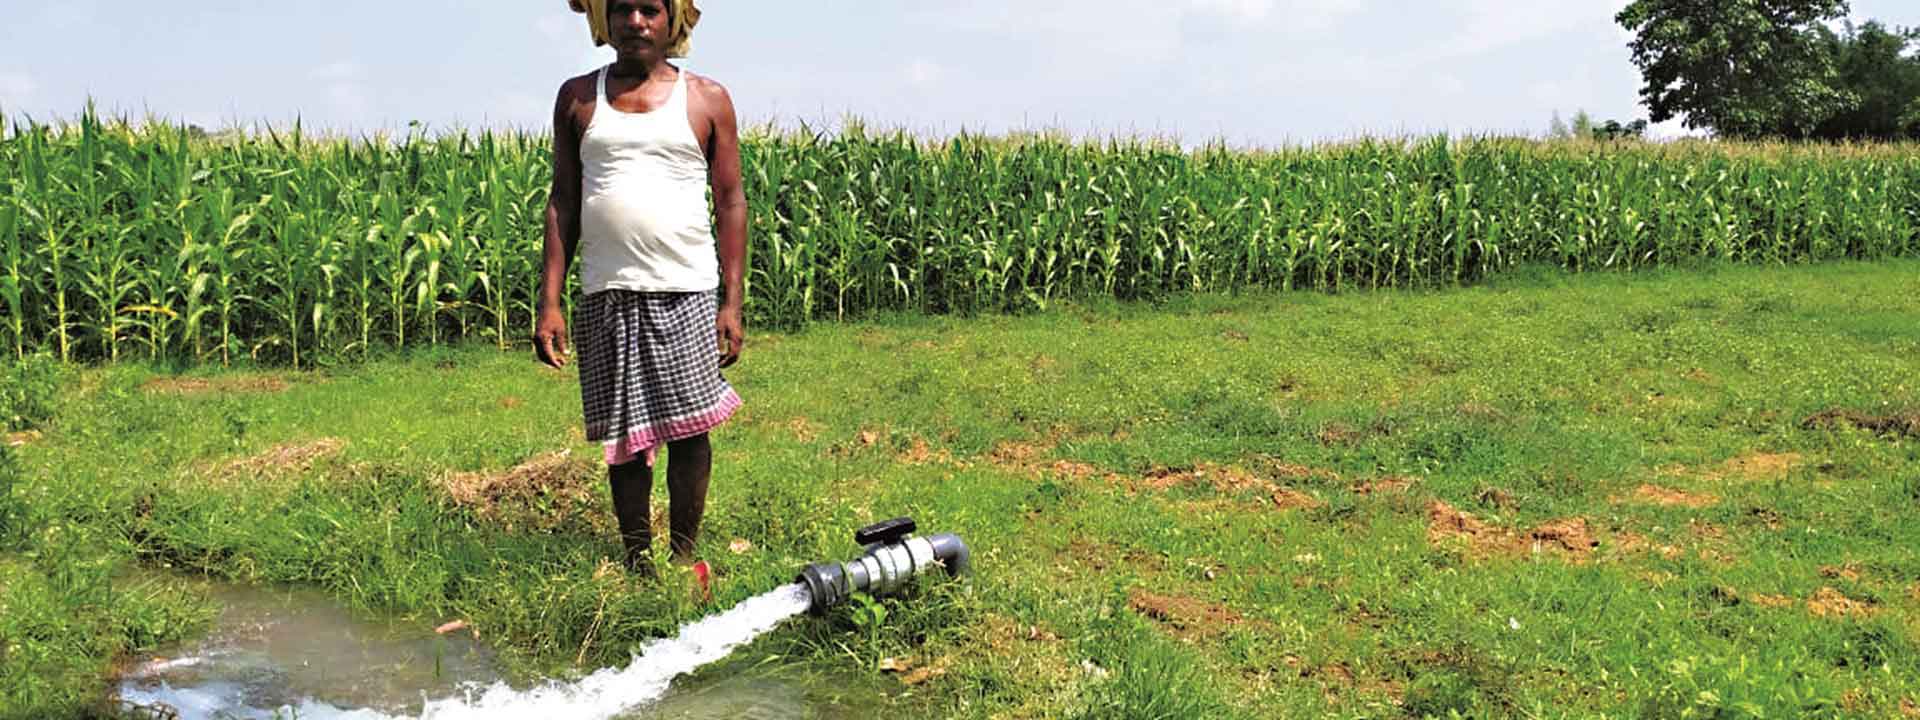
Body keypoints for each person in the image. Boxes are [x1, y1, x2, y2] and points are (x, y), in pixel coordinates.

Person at [539, 0, 746, 578]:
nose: (636, 22)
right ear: (605, 21)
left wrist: (731, 303)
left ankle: (682, 559)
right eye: (623, 9)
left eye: (650, 9)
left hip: (686, 289)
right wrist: (549, 303)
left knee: (691, 429)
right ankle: (637, 564)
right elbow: (563, 201)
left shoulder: (707, 98)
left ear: (671, 19)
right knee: (626, 439)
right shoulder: (579, 97)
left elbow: (730, 201)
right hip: (606, 292)